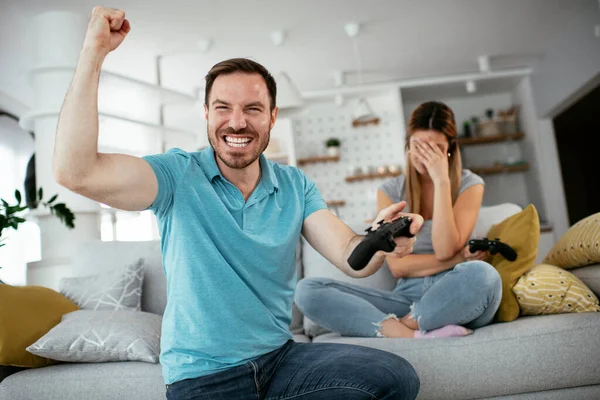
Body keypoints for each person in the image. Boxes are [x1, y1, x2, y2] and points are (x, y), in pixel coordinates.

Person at [53, 6, 424, 400]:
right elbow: (77, 172)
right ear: (206, 114)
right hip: (204, 376)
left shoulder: (294, 185)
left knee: (396, 376)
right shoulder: (176, 175)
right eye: (223, 108)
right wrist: (93, 54)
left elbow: (353, 256)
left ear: (272, 117)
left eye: (252, 109)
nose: (237, 122)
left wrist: (381, 240)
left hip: (280, 360)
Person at [295, 101, 503, 339]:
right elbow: (399, 266)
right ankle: (414, 334)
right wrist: (459, 257)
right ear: (407, 146)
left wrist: (442, 181)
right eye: (418, 146)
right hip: (405, 298)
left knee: (484, 275)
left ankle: (404, 326)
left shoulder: (469, 184)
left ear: (450, 150)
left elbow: (445, 249)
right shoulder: (390, 190)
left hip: (455, 296)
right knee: (307, 290)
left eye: (435, 148)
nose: (425, 156)